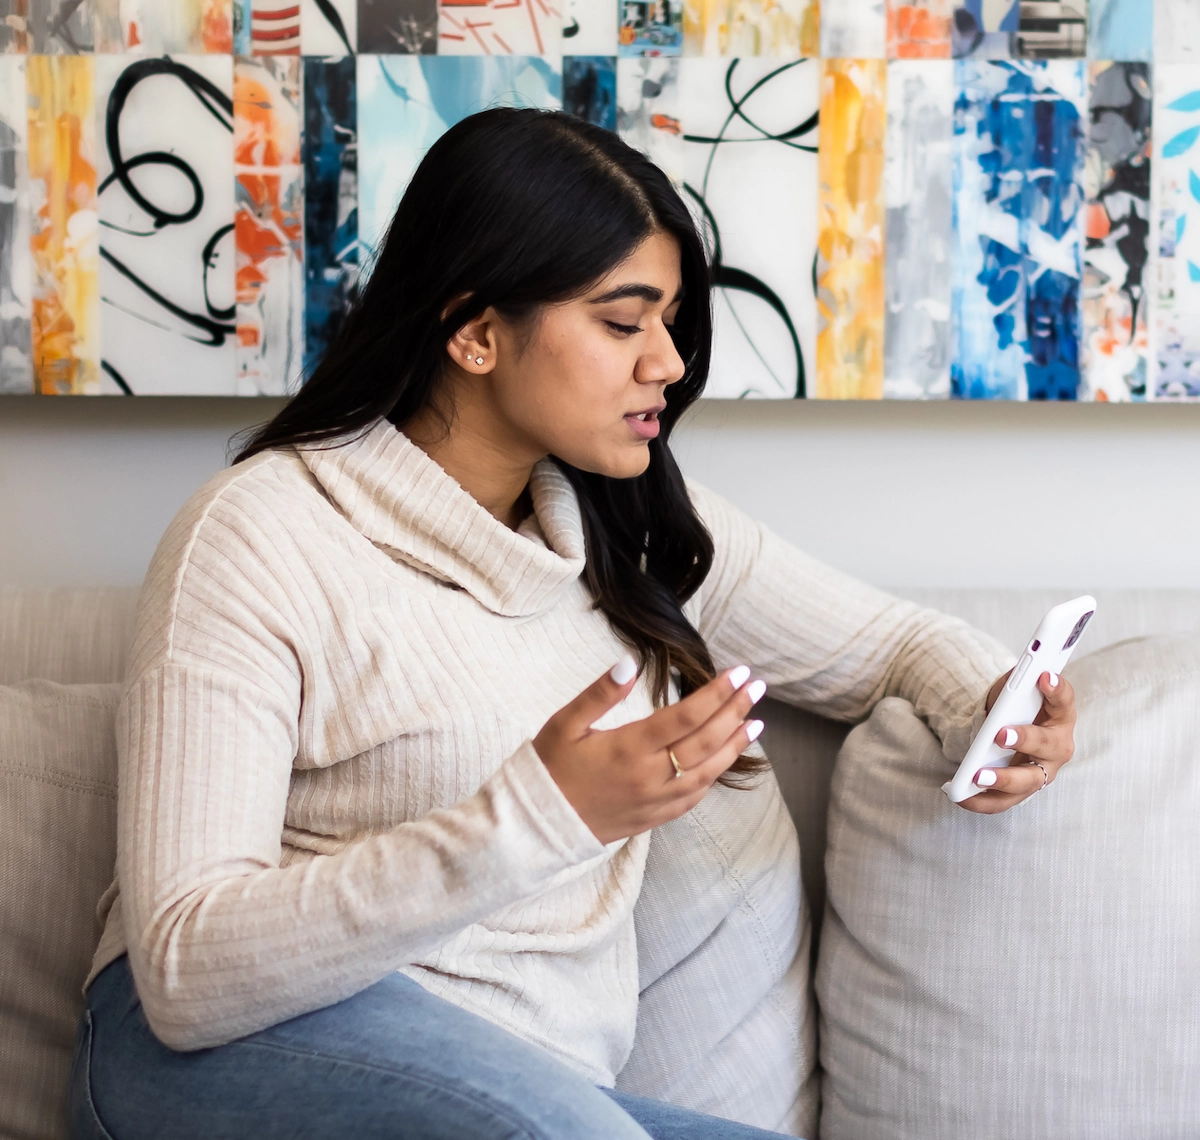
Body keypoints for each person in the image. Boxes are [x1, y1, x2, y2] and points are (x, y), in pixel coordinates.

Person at [69, 108, 1077, 1140]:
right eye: (621, 321)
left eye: (671, 322)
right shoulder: (260, 535)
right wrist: (545, 815)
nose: (669, 365)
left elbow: (894, 649)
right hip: (217, 1053)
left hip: (532, 1096)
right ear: (474, 329)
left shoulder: (626, 524)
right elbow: (184, 971)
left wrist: (992, 705)